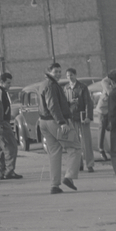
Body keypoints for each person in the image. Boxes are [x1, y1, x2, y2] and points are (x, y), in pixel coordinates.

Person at [38, 62, 80, 194]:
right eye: (55, 71)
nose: (58, 74)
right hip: (55, 122)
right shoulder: (51, 85)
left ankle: (54, 185)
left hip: (44, 121)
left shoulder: (43, 84)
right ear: (49, 72)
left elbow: (50, 103)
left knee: (54, 153)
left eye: (59, 71)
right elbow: (52, 105)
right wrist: (62, 122)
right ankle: (69, 176)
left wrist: (67, 104)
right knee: (75, 147)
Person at [65, 68, 95, 172]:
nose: (70, 77)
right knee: (75, 142)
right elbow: (64, 104)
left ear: (76, 75)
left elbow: (88, 102)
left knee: (86, 142)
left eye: (71, 75)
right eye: (68, 75)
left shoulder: (82, 87)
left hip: (82, 117)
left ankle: (90, 164)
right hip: (72, 118)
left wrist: (88, 116)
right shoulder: (66, 88)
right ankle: (79, 164)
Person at [0, 73, 22, 180]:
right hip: (2, 123)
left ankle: (2, 171)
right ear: (1, 82)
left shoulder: (1, 92)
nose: (9, 85)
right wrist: (0, 123)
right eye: (8, 83)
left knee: (1, 148)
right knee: (11, 146)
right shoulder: (0, 92)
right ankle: (9, 171)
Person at [94, 76, 112, 161]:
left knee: (114, 128)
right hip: (103, 109)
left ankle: (115, 149)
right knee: (102, 128)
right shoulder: (106, 81)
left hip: (112, 109)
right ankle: (101, 149)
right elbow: (110, 92)